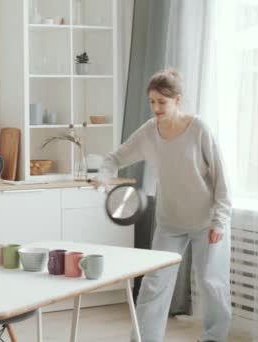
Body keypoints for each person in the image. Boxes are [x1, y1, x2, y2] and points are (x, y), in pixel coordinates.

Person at [96, 68, 232, 342]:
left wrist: (220, 220)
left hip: (207, 221)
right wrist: (103, 176)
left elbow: (221, 180)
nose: (156, 108)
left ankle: (214, 338)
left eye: (162, 102)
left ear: (177, 100)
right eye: (152, 102)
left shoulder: (199, 130)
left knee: (212, 284)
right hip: (170, 223)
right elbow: (115, 157)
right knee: (154, 284)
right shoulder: (149, 132)